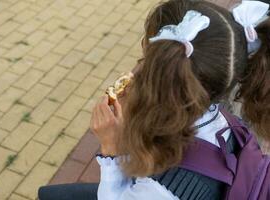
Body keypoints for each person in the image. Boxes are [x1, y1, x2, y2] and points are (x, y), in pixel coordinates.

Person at [38, 0, 270, 199]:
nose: (138, 67)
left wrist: (111, 146)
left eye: (147, 59)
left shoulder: (163, 191)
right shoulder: (218, 118)